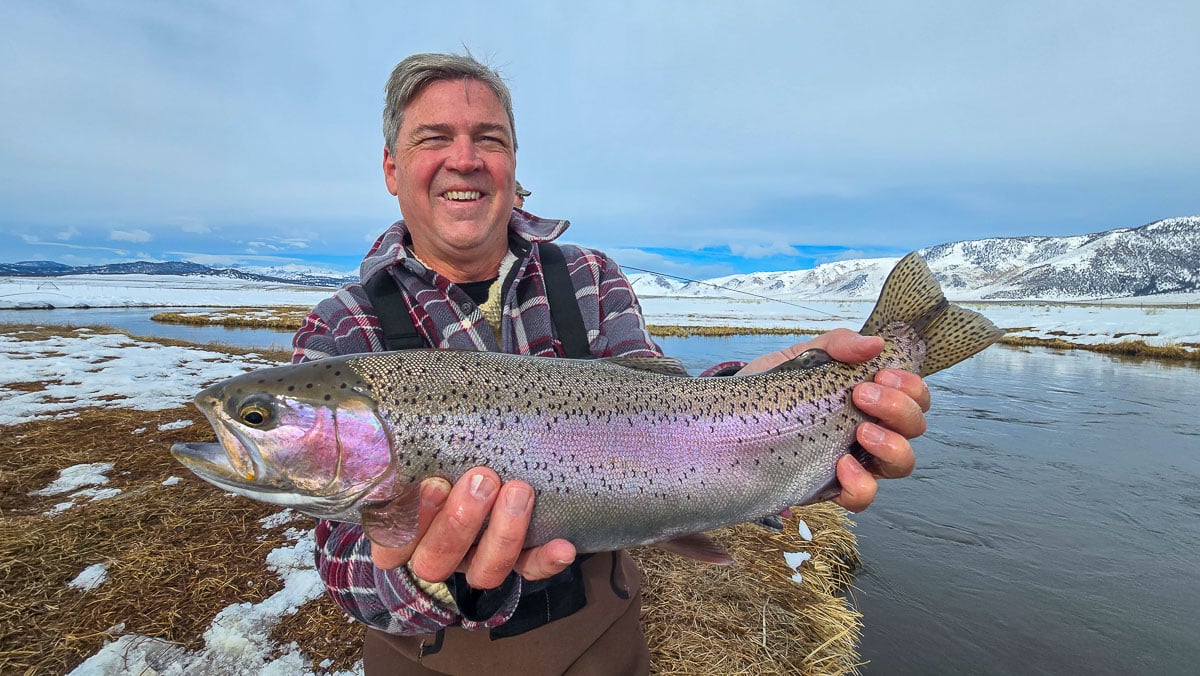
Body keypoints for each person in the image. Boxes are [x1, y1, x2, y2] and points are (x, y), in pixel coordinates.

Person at [292, 52, 929, 675]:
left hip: (604, 638)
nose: (465, 159)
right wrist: (430, 577)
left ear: (513, 164)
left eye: (489, 138)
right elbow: (340, 559)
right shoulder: (342, 327)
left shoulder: (588, 277)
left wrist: (780, 401)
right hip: (429, 659)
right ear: (391, 168)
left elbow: (668, 418)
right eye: (434, 138)